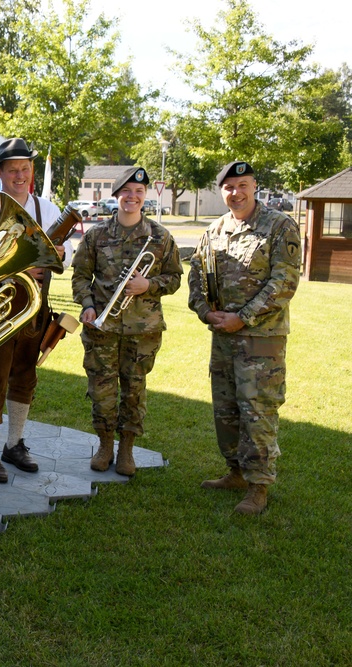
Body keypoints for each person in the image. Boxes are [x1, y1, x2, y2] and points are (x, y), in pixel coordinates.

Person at [188, 161, 300, 515]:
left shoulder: (279, 226)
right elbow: (196, 279)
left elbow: (284, 283)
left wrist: (243, 317)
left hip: (261, 340)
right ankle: (235, 472)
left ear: (254, 186)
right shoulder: (214, 230)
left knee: (258, 410)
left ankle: (259, 486)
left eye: (242, 185)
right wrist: (206, 312)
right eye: (228, 187)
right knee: (226, 409)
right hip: (223, 337)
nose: (235, 193)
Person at [0, 138, 73, 482]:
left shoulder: (47, 207)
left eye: (25, 168)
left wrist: (58, 253)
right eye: (12, 168)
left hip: (36, 307)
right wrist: (19, 268)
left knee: (26, 376)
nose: (20, 174)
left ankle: (14, 444)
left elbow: (66, 255)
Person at [70, 166, 182, 476]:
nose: (132, 197)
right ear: (117, 195)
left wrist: (149, 285)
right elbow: (80, 276)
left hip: (142, 330)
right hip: (101, 328)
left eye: (139, 192)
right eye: (127, 191)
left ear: (145, 196)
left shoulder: (160, 237)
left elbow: (174, 278)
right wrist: (89, 305)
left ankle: (127, 450)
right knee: (101, 390)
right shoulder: (96, 235)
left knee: (134, 390)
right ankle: (105, 445)